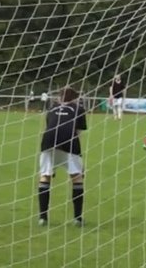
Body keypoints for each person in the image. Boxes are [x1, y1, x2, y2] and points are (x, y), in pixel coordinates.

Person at [37, 87, 87, 227]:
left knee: (45, 175)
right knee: (77, 177)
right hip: (69, 139)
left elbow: (50, 126)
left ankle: (43, 218)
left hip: (48, 139)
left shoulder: (52, 108)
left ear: (59, 97)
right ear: (74, 98)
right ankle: (77, 218)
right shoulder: (79, 109)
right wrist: (79, 161)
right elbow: (77, 133)